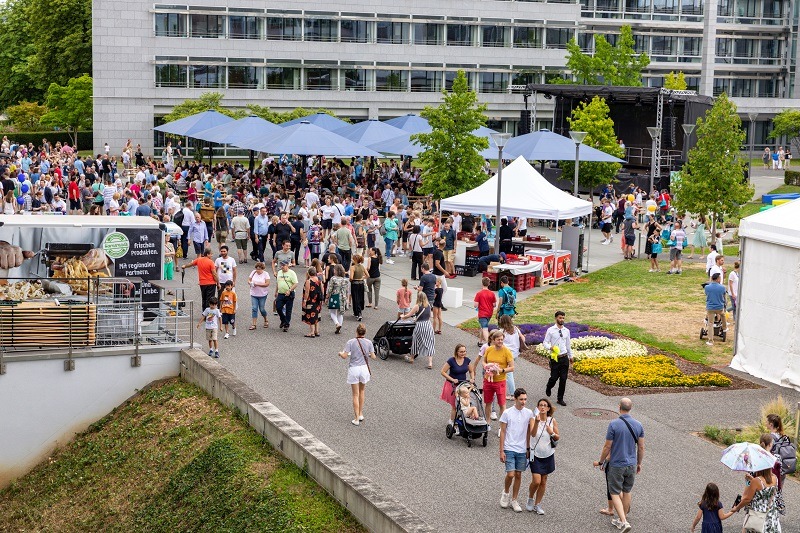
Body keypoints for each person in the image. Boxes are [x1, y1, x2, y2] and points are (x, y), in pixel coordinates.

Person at [592, 398, 645, 533]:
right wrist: (639, 463)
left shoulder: (614, 424)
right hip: (631, 464)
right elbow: (641, 447)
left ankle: (624, 521)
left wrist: (601, 461)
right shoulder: (639, 425)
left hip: (617, 464)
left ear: (619, 407)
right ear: (631, 408)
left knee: (614, 492)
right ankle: (623, 518)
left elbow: (607, 446)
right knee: (627, 491)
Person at [498, 388, 534, 513]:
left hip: (522, 449)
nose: (523, 402)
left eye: (525, 399)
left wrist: (528, 448)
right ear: (515, 398)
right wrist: (501, 450)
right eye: (521, 399)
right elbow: (502, 431)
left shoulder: (529, 413)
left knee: (518, 474)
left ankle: (514, 499)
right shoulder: (507, 413)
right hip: (509, 447)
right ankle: (506, 493)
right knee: (510, 474)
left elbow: (530, 432)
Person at [338, 323, 377, 426]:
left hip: (354, 369)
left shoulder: (351, 342)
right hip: (364, 368)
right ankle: (360, 413)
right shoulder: (369, 342)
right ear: (365, 332)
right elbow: (373, 357)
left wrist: (340, 353)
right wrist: (368, 353)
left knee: (355, 394)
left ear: (356, 332)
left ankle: (356, 419)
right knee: (362, 391)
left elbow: (344, 356)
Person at [526, 398, 559, 515]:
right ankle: (530, 498)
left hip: (548, 454)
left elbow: (557, 437)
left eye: (545, 405)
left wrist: (552, 432)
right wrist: (536, 422)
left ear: (548, 408)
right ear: (538, 408)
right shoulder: (533, 420)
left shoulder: (552, 421)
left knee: (544, 481)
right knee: (536, 481)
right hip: (535, 454)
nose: (543, 407)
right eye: (540, 405)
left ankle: (537, 504)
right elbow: (533, 434)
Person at [477, 329, 515, 420]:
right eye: (498, 339)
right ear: (493, 340)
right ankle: (487, 423)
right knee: (488, 403)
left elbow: (512, 367)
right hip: (488, 380)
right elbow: (484, 361)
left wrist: (501, 370)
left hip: (500, 381)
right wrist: (486, 366)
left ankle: (501, 426)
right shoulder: (489, 349)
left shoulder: (507, 351)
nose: (500, 341)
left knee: (502, 404)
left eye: (502, 339)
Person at [440, 344, 475, 433]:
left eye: (464, 351)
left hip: (462, 385)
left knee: (464, 404)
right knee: (455, 406)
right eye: (461, 352)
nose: (463, 353)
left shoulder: (467, 361)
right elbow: (443, 372)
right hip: (452, 385)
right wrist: (452, 379)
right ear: (457, 352)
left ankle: (461, 421)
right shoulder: (451, 361)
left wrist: (472, 379)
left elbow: (471, 371)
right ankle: (452, 422)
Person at [543, 311, 572, 407]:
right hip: (555, 358)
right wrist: (550, 347)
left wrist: (570, 356)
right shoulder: (551, 330)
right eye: (560, 318)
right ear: (556, 318)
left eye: (563, 318)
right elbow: (545, 342)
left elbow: (568, 344)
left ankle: (560, 398)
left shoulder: (566, 331)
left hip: (564, 358)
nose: (562, 319)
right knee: (554, 377)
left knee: (563, 379)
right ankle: (549, 386)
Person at [400, 292, 436, 369]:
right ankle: (430, 362)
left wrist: (403, 316)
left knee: (416, 341)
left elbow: (408, 315)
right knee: (429, 343)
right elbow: (430, 316)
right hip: (428, 325)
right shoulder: (429, 305)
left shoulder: (417, 306)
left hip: (420, 326)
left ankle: (412, 357)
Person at [499, 314, 526, 401]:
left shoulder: (502, 331)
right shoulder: (515, 329)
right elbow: (523, 338)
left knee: (509, 374)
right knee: (508, 372)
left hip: (507, 354)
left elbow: (499, 343)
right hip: (515, 353)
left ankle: (512, 394)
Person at [181, 248, 218, 312]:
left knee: (204, 298)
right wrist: (217, 282)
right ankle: (208, 314)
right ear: (207, 254)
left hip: (202, 283)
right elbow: (214, 274)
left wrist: (184, 266)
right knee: (210, 299)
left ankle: (204, 312)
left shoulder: (199, 259)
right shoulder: (211, 262)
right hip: (211, 283)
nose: (212, 256)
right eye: (211, 254)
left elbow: (191, 264)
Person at [703, 273, 727, 346]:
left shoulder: (707, 287)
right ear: (717, 279)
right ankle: (724, 327)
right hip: (719, 307)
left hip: (710, 307)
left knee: (710, 323)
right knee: (723, 315)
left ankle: (710, 340)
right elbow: (724, 297)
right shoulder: (722, 287)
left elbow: (707, 295)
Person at [326, 264, 351, 335]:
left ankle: (337, 324)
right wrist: (347, 299)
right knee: (340, 314)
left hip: (335, 296)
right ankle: (339, 327)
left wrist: (327, 297)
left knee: (332, 312)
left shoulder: (333, 279)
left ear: (336, 271)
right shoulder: (345, 280)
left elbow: (330, 289)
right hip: (343, 297)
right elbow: (347, 290)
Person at [275, 259, 299, 332]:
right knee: (278, 307)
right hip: (280, 293)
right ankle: (283, 320)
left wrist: (290, 290)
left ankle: (286, 324)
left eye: (283, 265)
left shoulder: (292, 273)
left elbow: (295, 283)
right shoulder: (279, 272)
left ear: (287, 265)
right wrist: (276, 291)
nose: (282, 267)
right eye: (281, 265)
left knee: (288, 309)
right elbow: (277, 282)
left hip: (289, 294)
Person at [474, 277, 497, 347]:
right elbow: (494, 304)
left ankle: (489, 344)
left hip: (482, 314)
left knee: (484, 328)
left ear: (482, 283)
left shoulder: (479, 294)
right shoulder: (492, 294)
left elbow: (475, 305)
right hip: (489, 313)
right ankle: (480, 341)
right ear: (489, 284)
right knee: (483, 327)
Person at [302, 266, 324, 338]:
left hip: (311, 300)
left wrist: (305, 300)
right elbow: (322, 289)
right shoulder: (319, 279)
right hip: (317, 300)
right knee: (317, 315)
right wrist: (322, 298)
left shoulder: (309, 281)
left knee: (311, 315)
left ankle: (312, 332)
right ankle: (317, 331)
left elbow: (307, 292)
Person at [248, 262, 270, 330]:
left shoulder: (266, 274)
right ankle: (254, 324)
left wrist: (257, 284)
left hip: (262, 294)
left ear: (262, 269)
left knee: (262, 309)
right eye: (257, 269)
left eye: (259, 269)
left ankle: (266, 319)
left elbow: (267, 284)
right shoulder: (253, 272)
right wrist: (250, 283)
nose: (258, 270)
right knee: (254, 308)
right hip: (254, 293)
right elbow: (249, 279)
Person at [349, 254, 367, 321]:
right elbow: (367, 275)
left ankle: (358, 312)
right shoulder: (362, 266)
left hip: (355, 283)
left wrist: (350, 280)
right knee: (360, 297)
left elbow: (351, 277)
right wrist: (362, 278)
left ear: (355, 260)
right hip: (361, 283)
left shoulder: (353, 267)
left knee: (355, 297)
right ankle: (357, 311)